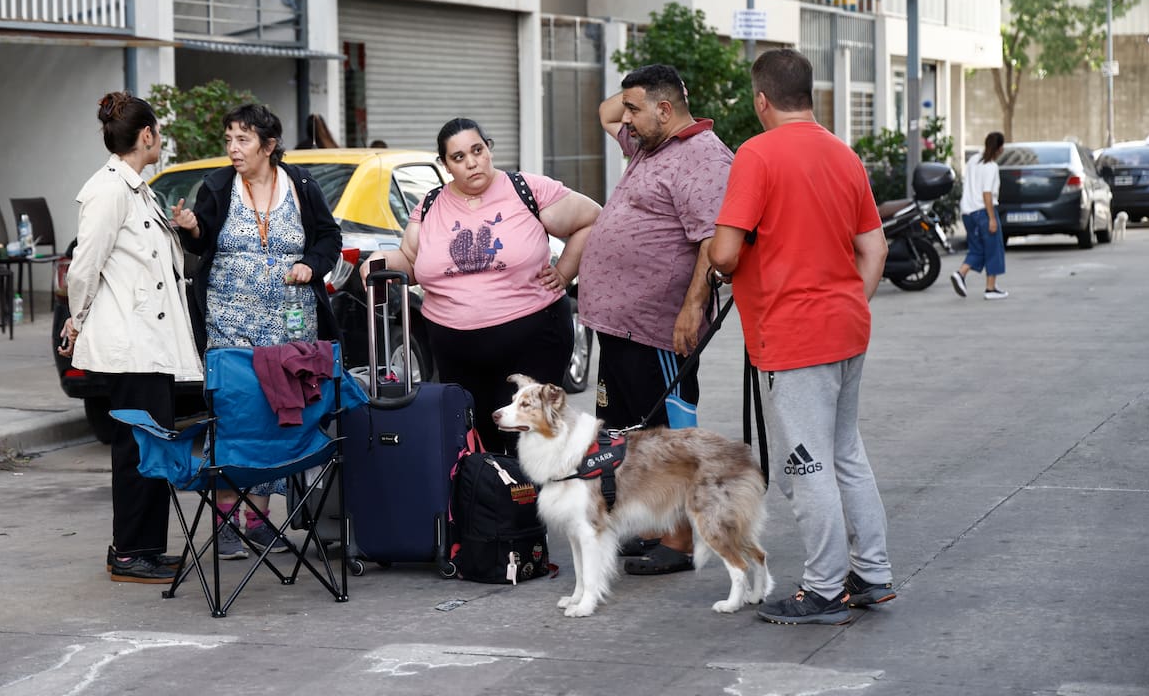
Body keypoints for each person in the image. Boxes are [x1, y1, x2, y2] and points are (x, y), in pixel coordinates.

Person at [709, 48, 893, 626]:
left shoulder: (756, 155)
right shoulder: (845, 155)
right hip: (846, 331)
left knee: (807, 466)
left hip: (792, 339)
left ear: (762, 99)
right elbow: (875, 248)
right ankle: (872, 574)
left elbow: (724, 251)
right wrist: (844, 305)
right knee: (846, 455)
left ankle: (824, 589)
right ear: (809, 94)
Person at [359, 117, 600, 454]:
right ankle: (487, 506)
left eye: (477, 150)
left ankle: (533, 506)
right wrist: (377, 263)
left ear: (489, 148)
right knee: (473, 440)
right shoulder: (429, 205)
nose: (472, 162)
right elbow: (410, 262)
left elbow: (591, 217)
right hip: (456, 349)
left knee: (527, 440)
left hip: (533, 340)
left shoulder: (526, 189)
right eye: (458, 157)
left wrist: (564, 272)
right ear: (445, 165)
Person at [579, 63, 732, 576]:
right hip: (619, 325)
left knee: (668, 433)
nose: (623, 118)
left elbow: (713, 242)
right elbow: (605, 112)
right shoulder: (649, 142)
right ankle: (650, 527)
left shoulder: (703, 158)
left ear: (666, 110)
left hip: (660, 327)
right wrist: (635, 95)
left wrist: (693, 309)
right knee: (631, 432)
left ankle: (680, 540)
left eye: (635, 109)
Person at [172, 103, 342, 559]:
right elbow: (203, 239)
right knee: (234, 414)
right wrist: (191, 228)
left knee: (278, 413)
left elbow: (329, 238)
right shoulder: (217, 187)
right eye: (228, 139)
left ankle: (259, 520)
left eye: (242, 139)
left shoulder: (302, 186)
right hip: (230, 321)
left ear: (268, 146)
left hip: (290, 323)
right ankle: (227, 522)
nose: (232, 149)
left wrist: (310, 264)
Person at [59, 91, 203, 584]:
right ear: (146, 136)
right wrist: (75, 320)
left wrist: (181, 229)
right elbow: (85, 266)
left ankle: (145, 547)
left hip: (150, 343)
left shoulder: (139, 189)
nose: (159, 139)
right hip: (130, 343)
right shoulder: (108, 190)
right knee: (137, 448)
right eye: (158, 132)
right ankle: (128, 552)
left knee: (153, 446)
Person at [951, 132, 1007, 300]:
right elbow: (987, 194)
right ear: (1000, 148)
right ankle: (990, 289)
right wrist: (991, 218)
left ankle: (961, 274)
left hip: (967, 212)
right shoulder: (991, 167)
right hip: (983, 212)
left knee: (978, 248)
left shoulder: (974, 160)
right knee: (993, 249)